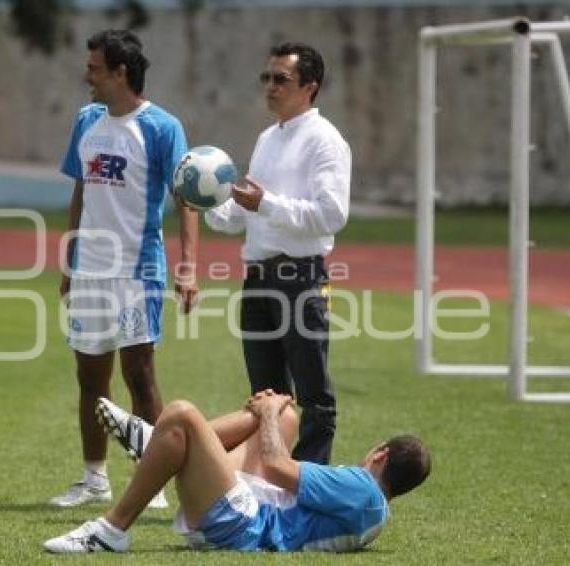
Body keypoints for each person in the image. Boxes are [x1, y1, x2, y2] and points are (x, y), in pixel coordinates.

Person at [51, 29, 199, 509]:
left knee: (139, 374)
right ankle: (94, 480)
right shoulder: (87, 120)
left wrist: (189, 268)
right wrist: (70, 259)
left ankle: (150, 479)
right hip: (90, 269)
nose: (86, 75)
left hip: (137, 271)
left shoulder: (161, 127)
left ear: (120, 73)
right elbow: (81, 190)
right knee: (90, 376)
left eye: (94, 67)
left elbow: (186, 200)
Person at [44, 392, 431, 553]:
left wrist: (264, 412)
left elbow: (279, 468)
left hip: (243, 524)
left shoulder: (363, 490)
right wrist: (272, 413)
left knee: (180, 414)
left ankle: (112, 531)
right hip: (253, 512)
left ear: (380, 454)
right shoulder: (371, 507)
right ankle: (155, 442)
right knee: (288, 418)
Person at [205, 42, 351, 464]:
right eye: (266, 78)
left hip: (300, 278)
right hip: (257, 279)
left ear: (310, 86)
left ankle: (307, 486)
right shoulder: (267, 138)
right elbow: (241, 217)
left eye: (280, 79)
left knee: (313, 394)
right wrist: (205, 198)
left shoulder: (326, 141)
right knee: (265, 396)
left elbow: (331, 215)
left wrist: (265, 204)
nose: (269, 86)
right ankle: (267, 484)